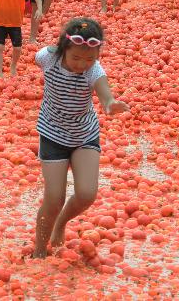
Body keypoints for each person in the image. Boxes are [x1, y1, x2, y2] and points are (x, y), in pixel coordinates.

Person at [32, 17, 129, 258]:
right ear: (64, 48)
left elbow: (104, 93)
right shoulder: (47, 57)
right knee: (54, 198)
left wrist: (110, 104)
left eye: (89, 59)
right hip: (52, 134)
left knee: (87, 193)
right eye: (76, 58)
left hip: (84, 134)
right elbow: (36, 57)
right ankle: (39, 252)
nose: (81, 65)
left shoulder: (93, 71)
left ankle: (61, 223)